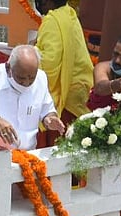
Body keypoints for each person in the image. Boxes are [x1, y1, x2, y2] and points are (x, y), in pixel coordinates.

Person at [34, 0, 93, 146]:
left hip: (65, 98)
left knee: (58, 147)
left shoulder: (52, 20)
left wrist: (33, 52)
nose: (38, 5)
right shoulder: (69, 13)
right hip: (80, 89)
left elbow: (49, 64)